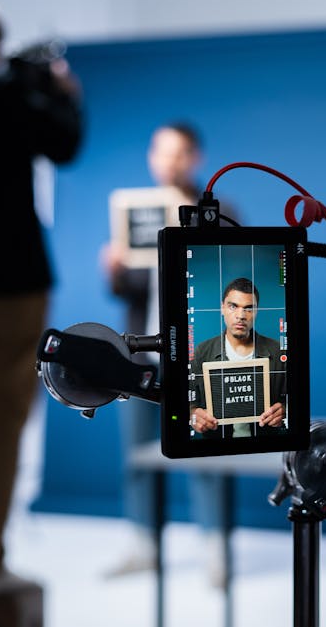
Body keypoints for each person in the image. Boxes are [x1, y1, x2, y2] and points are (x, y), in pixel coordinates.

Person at [101, 123, 236, 581]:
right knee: (136, 453)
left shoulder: (219, 209)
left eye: (178, 153)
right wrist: (115, 268)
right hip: (142, 354)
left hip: (199, 353)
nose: (168, 162)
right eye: (160, 152)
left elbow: (232, 272)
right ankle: (143, 544)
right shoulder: (135, 214)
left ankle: (216, 551)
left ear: (194, 157)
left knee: (207, 451)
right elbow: (129, 291)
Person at [0, 9, 83, 581]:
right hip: (14, 277)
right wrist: (64, 95)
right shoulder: (12, 99)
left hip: (16, 278)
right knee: (4, 419)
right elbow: (65, 143)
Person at [190, 277, 286, 437]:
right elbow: (190, 403)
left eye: (249, 308)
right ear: (222, 308)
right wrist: (194, 415)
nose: (241, 315)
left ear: (256, 311)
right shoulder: (202, 352)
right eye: (233, 306)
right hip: (218, 450)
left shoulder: (279, 352)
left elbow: (295, 400)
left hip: (265, 445)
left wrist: (285, 411)